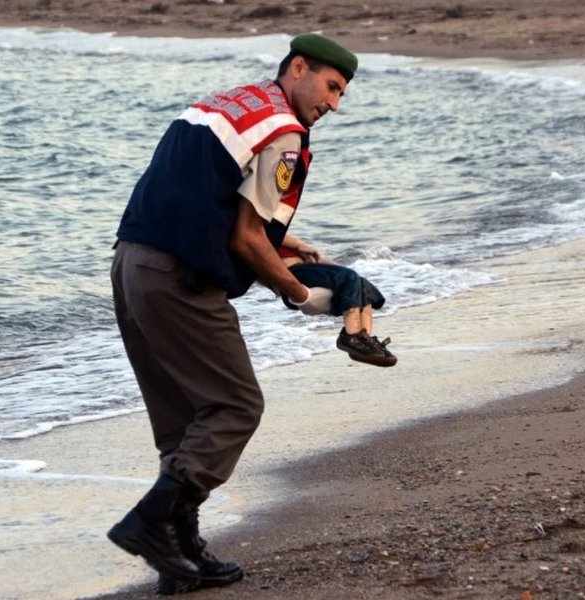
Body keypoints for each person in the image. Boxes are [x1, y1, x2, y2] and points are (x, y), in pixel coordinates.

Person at [106, 33, 358, 594]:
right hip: (178, 279)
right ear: (298, 67)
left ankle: (179, 559)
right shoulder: (284, 132)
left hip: (131, 265)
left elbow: (204, 199)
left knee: (181, 423)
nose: (334, 104)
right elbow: (245, 239)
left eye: (342, 94)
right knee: (235, 406)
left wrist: (286, 245)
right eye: (332, 86)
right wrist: (300, 294)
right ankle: (150, 521)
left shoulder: (228, 103)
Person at [278, 232, 397, 367]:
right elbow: (272, 234)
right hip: (292, 273)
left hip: (308, 270)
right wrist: (300, 245)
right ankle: (351, 337)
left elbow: (324, 262)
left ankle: (365, 341)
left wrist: (343, 274)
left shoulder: (286, 240)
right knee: (350, 277)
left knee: (361, 283)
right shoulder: (268, 233)